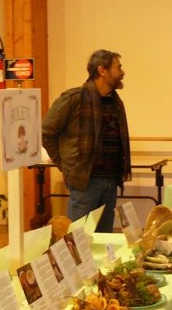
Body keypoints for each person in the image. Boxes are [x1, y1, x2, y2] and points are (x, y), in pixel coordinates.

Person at [42, 50, 131, 233]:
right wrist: (66, 164)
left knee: (105, 237)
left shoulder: (115, 102)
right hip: (85, 182)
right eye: (118, 67)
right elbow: (46, 133)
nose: (122, 72)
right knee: (79, 238)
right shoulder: (74, 99)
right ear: (102, 70)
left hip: (110, 179)